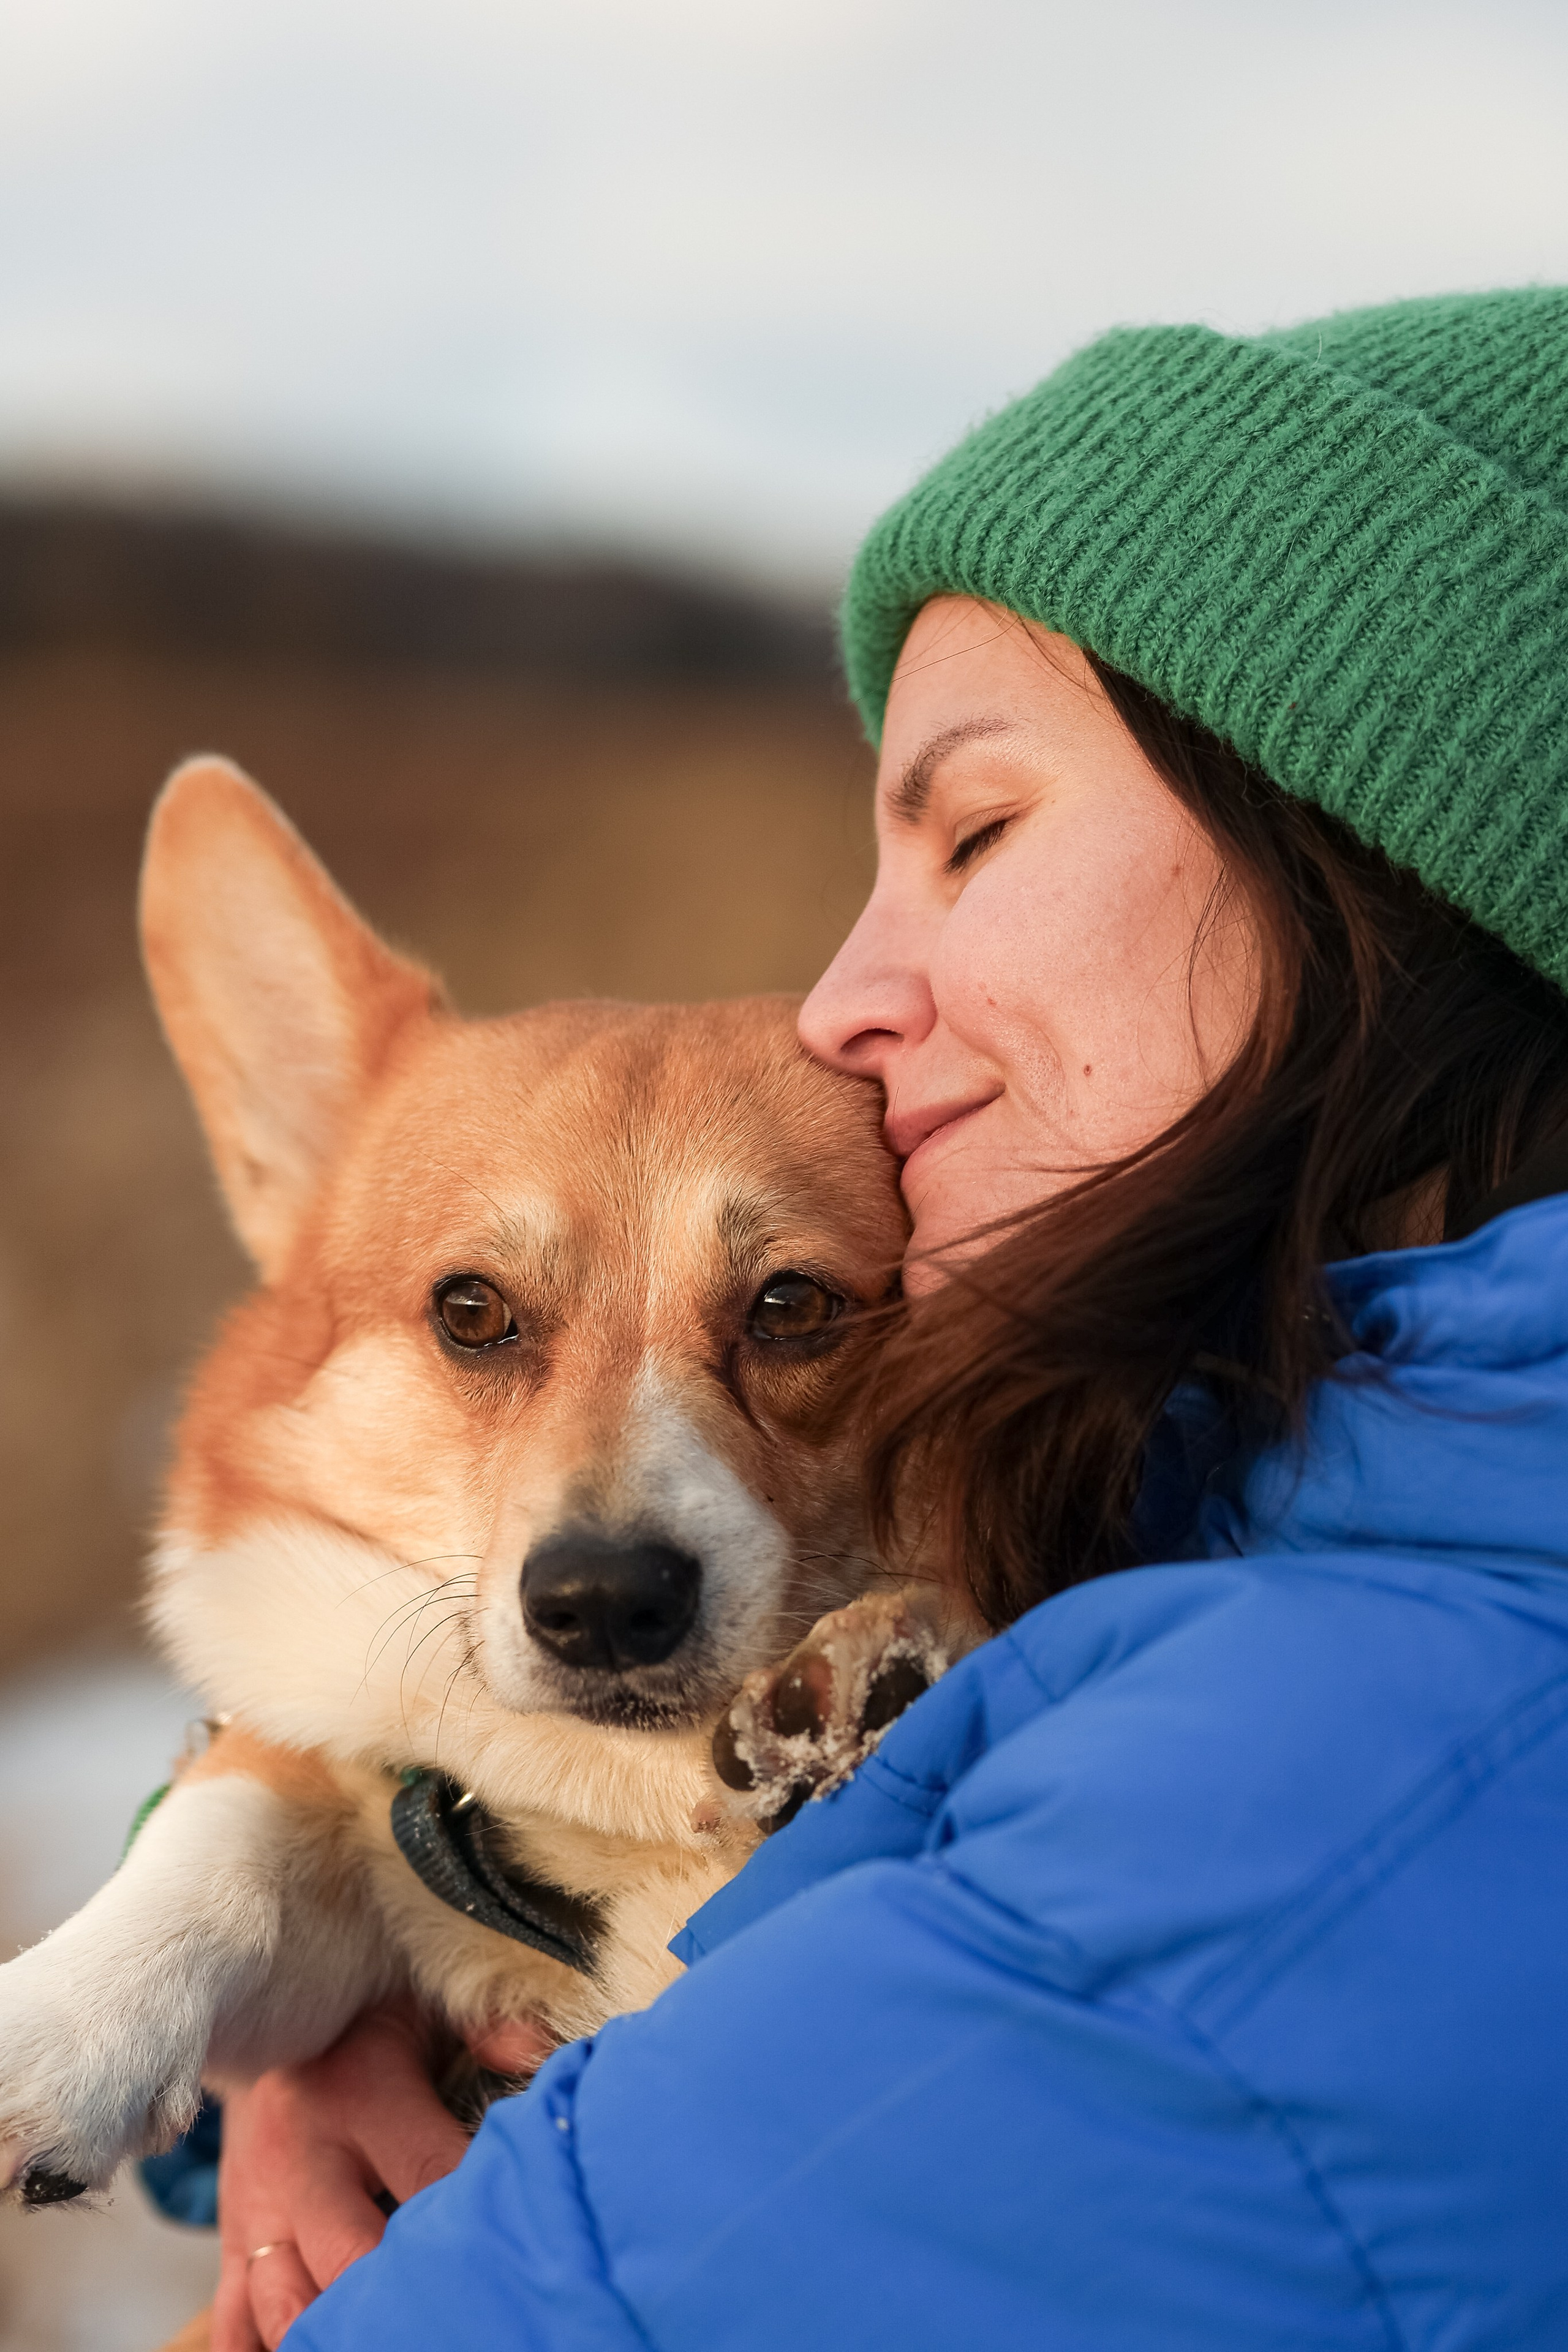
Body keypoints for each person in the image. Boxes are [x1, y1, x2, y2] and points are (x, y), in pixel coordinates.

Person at [216, 288, 1568, 2349]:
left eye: (977, 832)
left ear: (1387, 845)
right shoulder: (1249, 1486)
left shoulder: (1306, 1815)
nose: (842, 1002)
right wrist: (316, 1916)